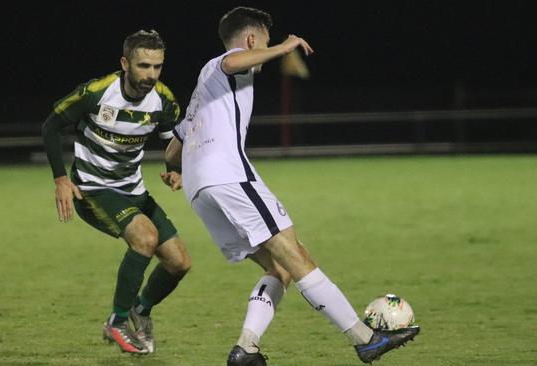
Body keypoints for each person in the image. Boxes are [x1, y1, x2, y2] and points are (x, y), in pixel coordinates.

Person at [164, 7, 420, 365]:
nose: (265, 51)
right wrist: (284, 47)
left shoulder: (202, 90)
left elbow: (173, 148)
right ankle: (365, 339)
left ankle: (246, 348)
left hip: (199, 189)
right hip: (229, 176)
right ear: (252, 40)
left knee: (280, 268)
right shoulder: (225, 63)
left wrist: (173, 169)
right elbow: (235, 62)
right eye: (264, 42)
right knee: (296, 256)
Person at [41, 29, 191, 355]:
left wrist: (177, 168)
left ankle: (141, 310)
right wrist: (60, 179)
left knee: (179, 262)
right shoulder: (96, 93)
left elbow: (173, 142)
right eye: (143, 66)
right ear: (125, 63)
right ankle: (117, 321)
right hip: (93, 190)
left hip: (133, 190)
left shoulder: (163, 101)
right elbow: (51, 126)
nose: (151, 75)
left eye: (157, 67)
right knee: (145, 240)